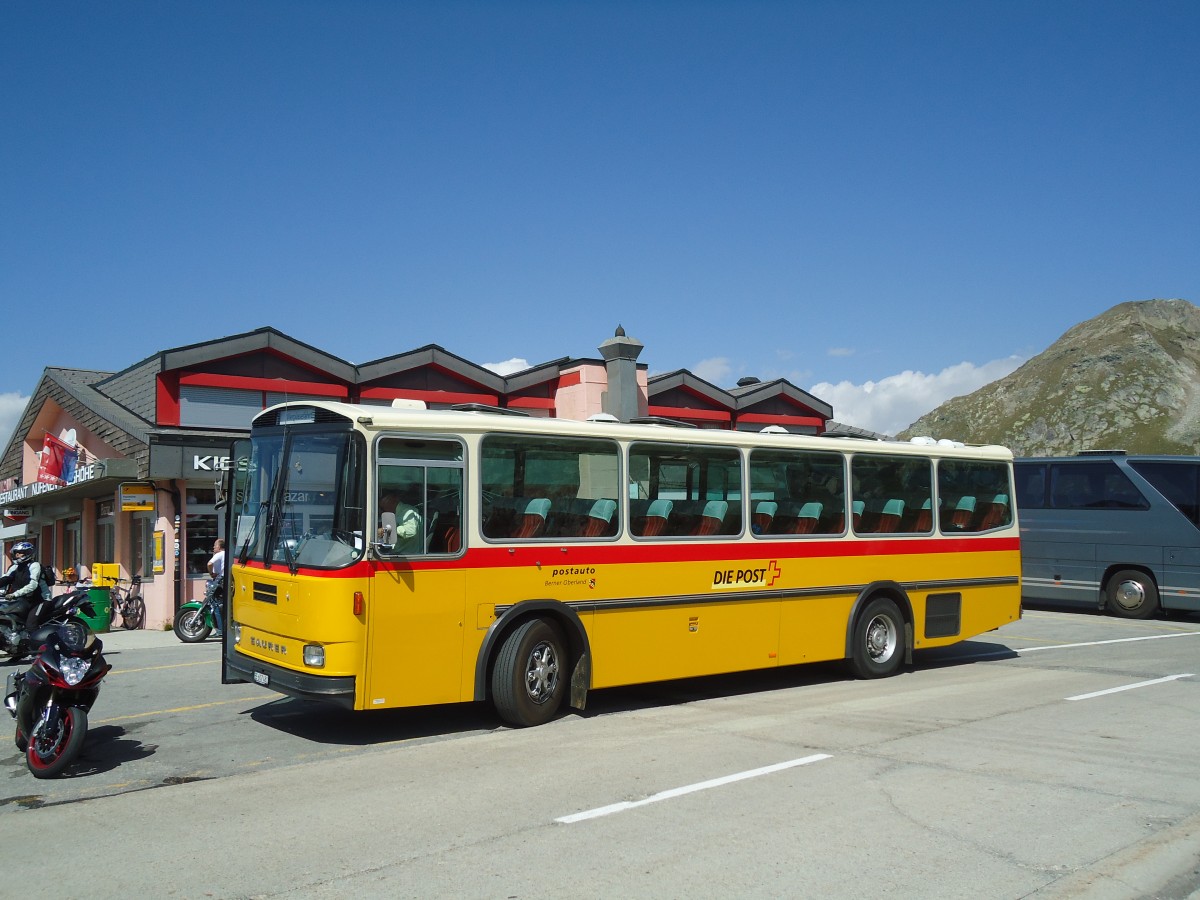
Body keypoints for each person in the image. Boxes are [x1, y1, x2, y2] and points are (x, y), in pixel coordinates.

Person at [0, 540, 50, 646]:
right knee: (13, 619)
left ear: (28, 553)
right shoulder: (14, 567)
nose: (17, 555)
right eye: (16, 553)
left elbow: (33, 585)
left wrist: (14, 594)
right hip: (23, 600)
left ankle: (37, 650)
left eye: (20, 553)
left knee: (31, 625)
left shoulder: (34, 565)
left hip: (40, 600)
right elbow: (5, 579)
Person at [378, 490, 422, 554]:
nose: (382, 508)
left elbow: (411, 531)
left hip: (406, 553)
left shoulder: (408, 512)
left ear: (393, 499)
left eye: (384, 500)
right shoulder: (393, 513)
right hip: (396, 549)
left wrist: (385, 530)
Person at [206, 539, 226, 633]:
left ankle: (220, 630)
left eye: (215, 545)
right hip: (224, 581)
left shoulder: (220, 554)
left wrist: (211, 573)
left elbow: (209, 564)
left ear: (219, 547)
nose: (213, 547)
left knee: (215, 603)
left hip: (220, 580)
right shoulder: (226, 554)